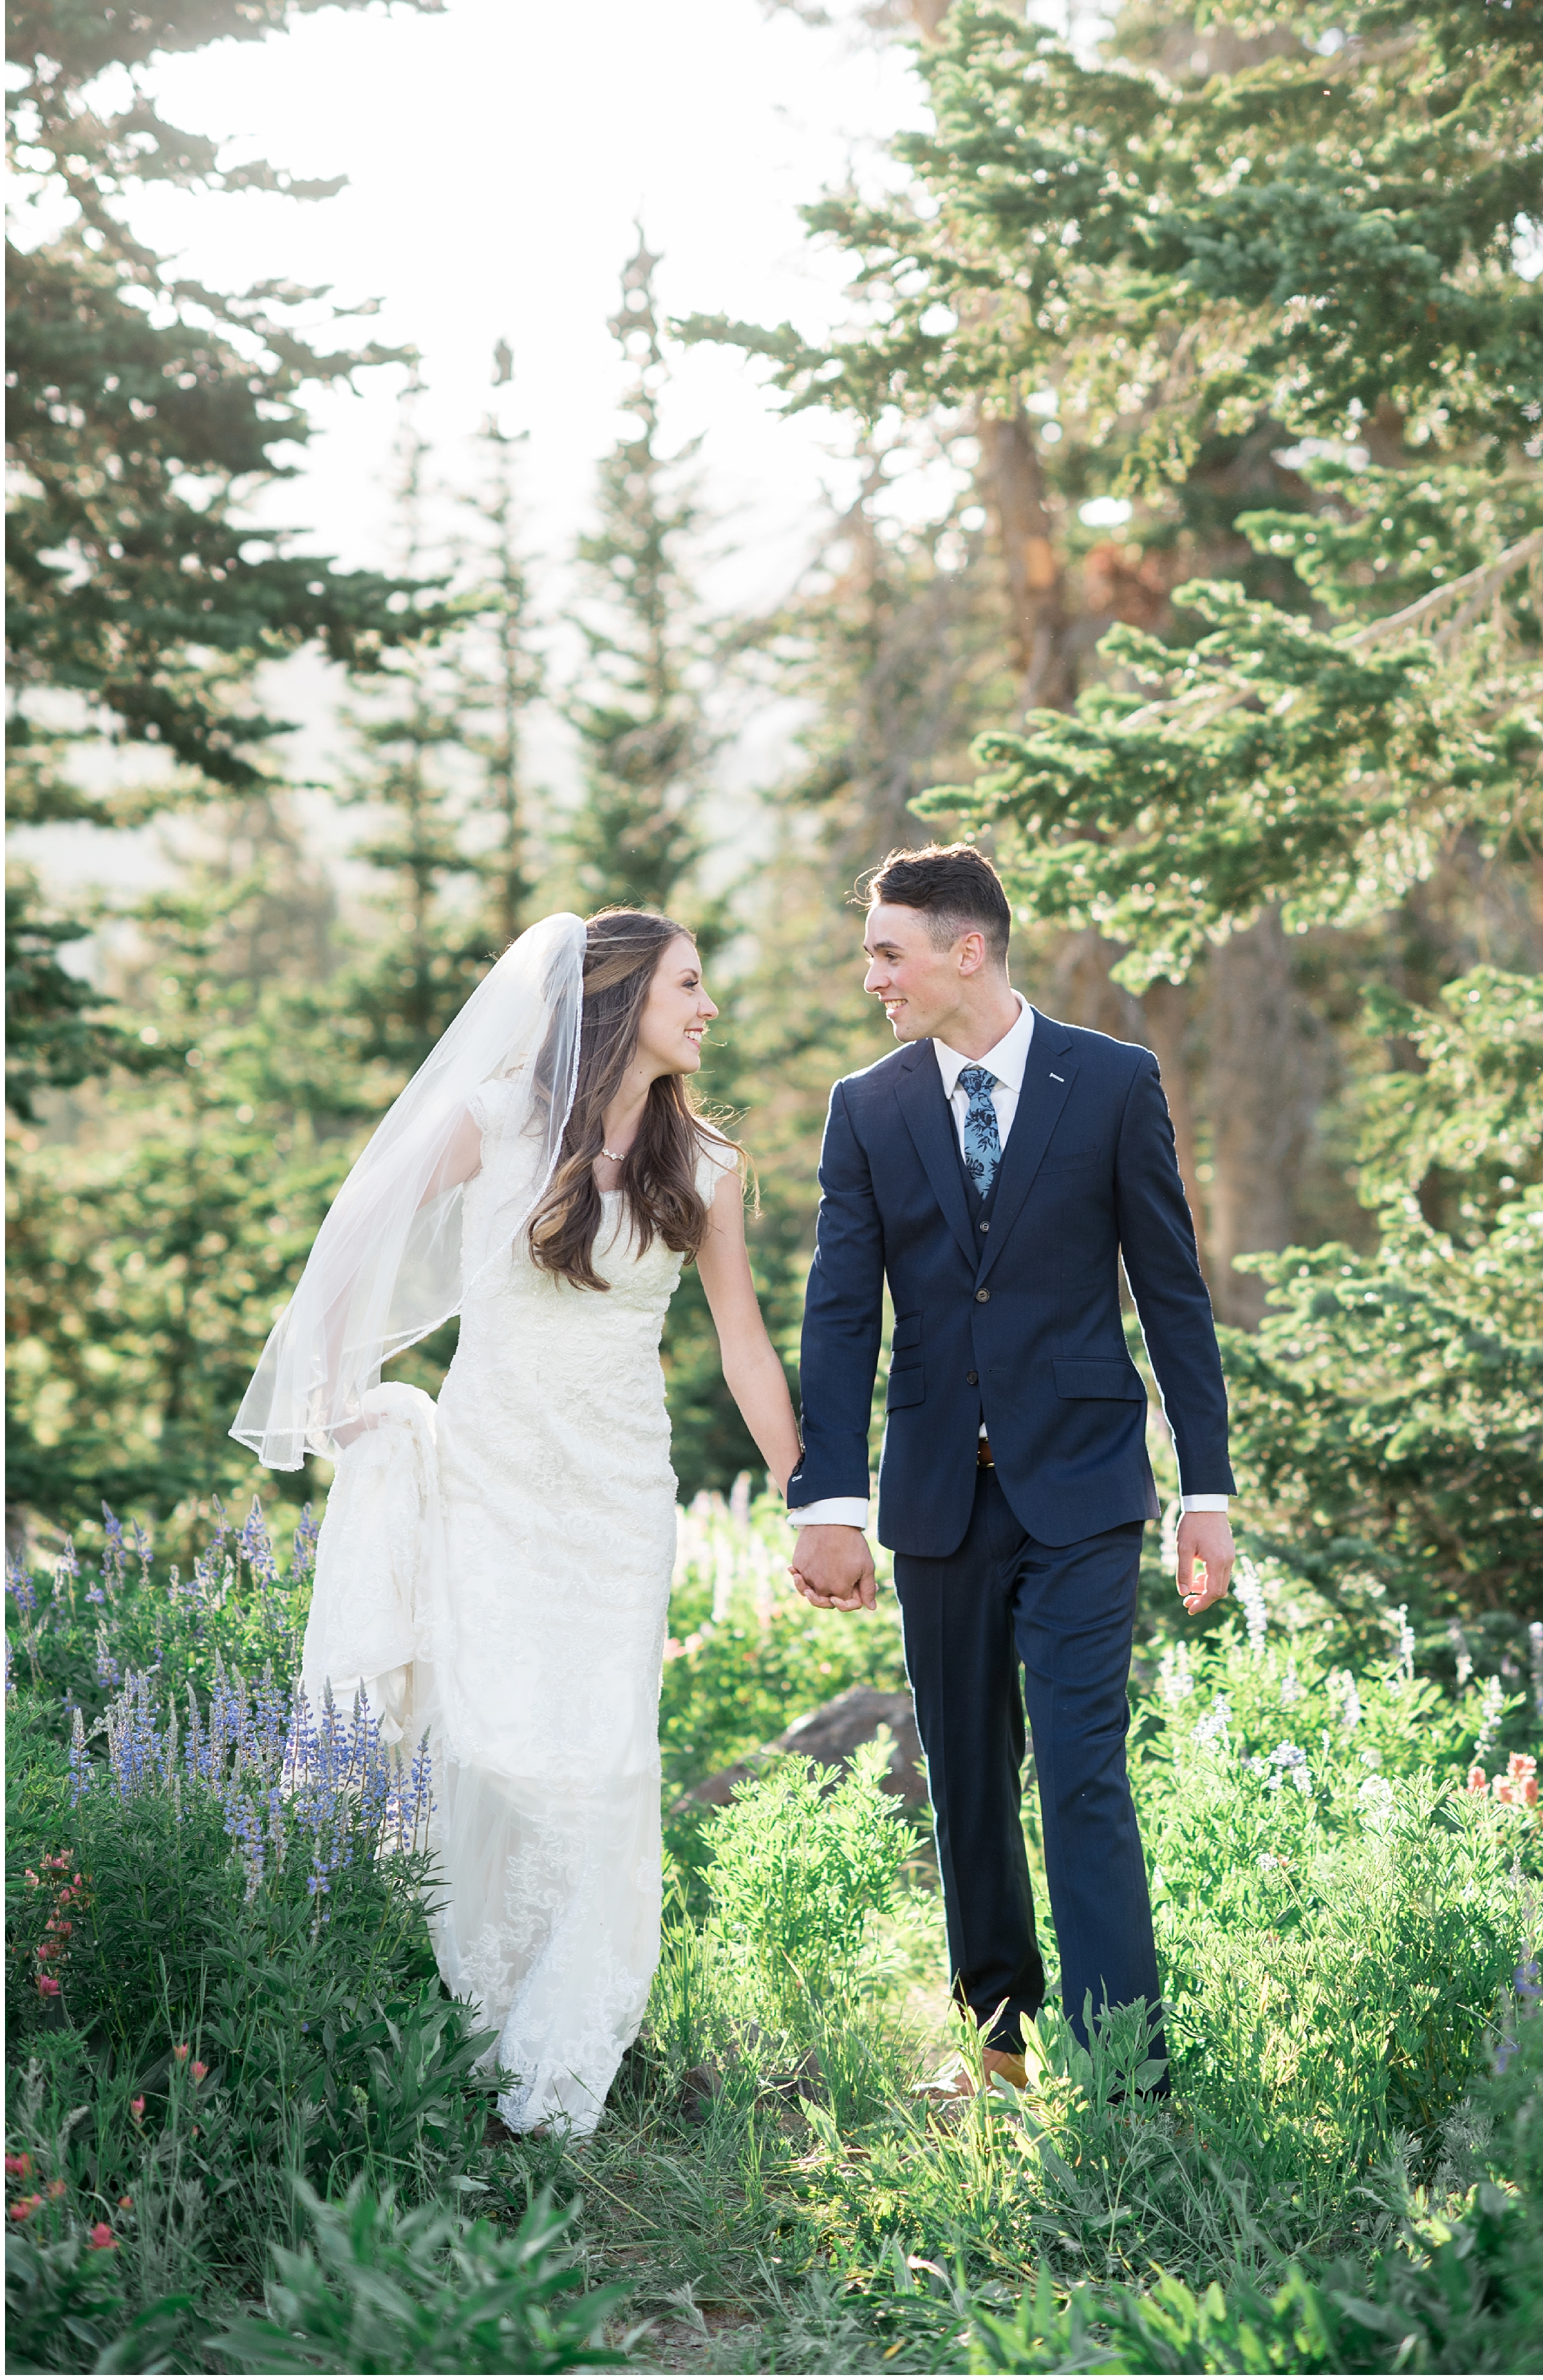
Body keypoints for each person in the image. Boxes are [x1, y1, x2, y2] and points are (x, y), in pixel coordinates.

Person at [232, 909, 800, 2135]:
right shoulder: (497, 1120)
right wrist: (332, 1388)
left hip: (618, 1497)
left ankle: (566, 2035)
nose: (708, 1009)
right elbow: (364, 1217)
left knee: (602, 1756)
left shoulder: (704, 1166)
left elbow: (745, 1347)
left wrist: (806, 1492)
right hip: (489, 1478)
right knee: (485, 1736)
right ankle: (474, 1998)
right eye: (688, 986)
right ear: (616, 998)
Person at [787, 844, 1233, 2094]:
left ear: (963, 949)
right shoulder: (866, 1108)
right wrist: (829, 1499)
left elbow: (1174, 1296)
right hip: (937, 1491)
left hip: (1087, 1485)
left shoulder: (1112, 1083)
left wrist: (1208, 1492)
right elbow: (839, 1315)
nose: (871, 974)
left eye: (888, 950)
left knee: (1083, 1763)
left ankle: (1122, 2069)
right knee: (967, 1773)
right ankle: (1000, 2033)